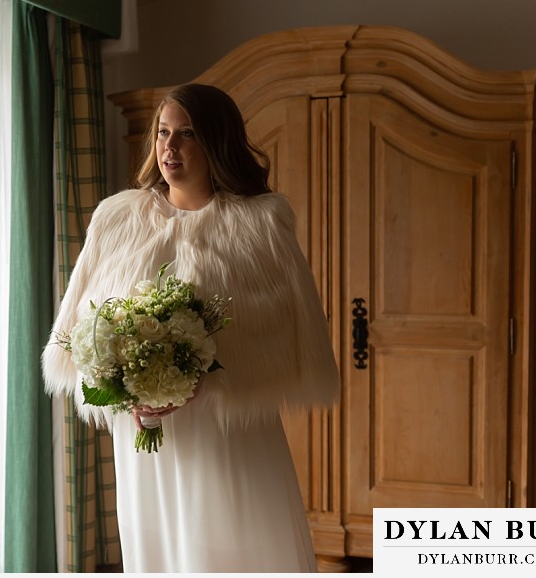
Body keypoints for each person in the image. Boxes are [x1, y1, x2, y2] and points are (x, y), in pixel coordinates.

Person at [42, 83, 340, 572]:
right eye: (162, 133)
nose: (169, 147)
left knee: (231, 548)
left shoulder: (261, 223)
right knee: (157, 548)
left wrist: (203, 380)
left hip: (225, 429)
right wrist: (125, 388)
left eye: (186, 134)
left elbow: (288, 335)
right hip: (143, 432)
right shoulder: (116, 219)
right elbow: (80, 330)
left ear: (216, 142)